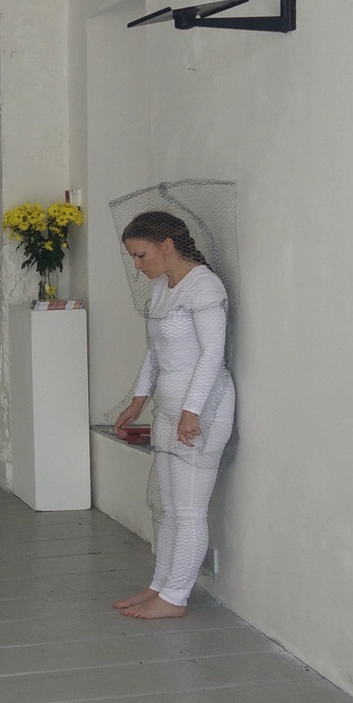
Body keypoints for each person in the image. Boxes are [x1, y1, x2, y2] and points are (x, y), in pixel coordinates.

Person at [111, 210, 236, 619]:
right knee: (166, 508)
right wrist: (137, 401)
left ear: (167, 246)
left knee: (188, 511)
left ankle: (175, 597)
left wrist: (191, 411)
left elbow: (212, 355)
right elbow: (155, 352)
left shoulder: (205, 286)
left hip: (203, 412)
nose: (137, 265)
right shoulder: (162, 288)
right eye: (132, 257)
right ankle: (159, 586)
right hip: (170, 410)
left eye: (141, 255)